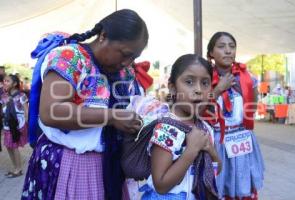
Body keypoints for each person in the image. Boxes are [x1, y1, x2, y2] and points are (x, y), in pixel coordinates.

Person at [21, 9, 148, 200]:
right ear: (103, 36)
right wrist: (111, 117)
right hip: (69, 163)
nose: (127, 62)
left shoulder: (125, 73)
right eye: (124, 54)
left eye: (133, 58)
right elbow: (51, 111)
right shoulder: (69, 58)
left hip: (108, 166)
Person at [140, 54, 221, 199]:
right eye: (189, 82)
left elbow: (216, 169)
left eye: (205, 83)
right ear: (172, 88)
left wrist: (210, 150)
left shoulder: (205, 128)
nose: (198, 90)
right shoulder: (166, 129)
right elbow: (161, 185)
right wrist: (191, 150)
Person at [207, 32, 264, 199]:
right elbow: (199, 107)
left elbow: (251, 109)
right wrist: (218, 89)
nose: (228, 51)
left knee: (243, 181)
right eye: (221, 46)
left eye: (232, 46)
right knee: (220, 185)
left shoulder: (247, 78)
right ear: (211, 52)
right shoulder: (204, 78)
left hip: (242, 138)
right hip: (217, 140)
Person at [1, 74, 28, 177]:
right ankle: (15, 167)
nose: (5, 83)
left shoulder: (21, 95)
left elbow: (26, 110)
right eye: (4, 81)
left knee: (14, 146)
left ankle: (19, 169)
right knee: (8, 147)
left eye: (7, 81)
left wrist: (26, 122)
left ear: (15, 84)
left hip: (17, 125)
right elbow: (2, 110)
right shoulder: (3, 96)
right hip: (7, 124)